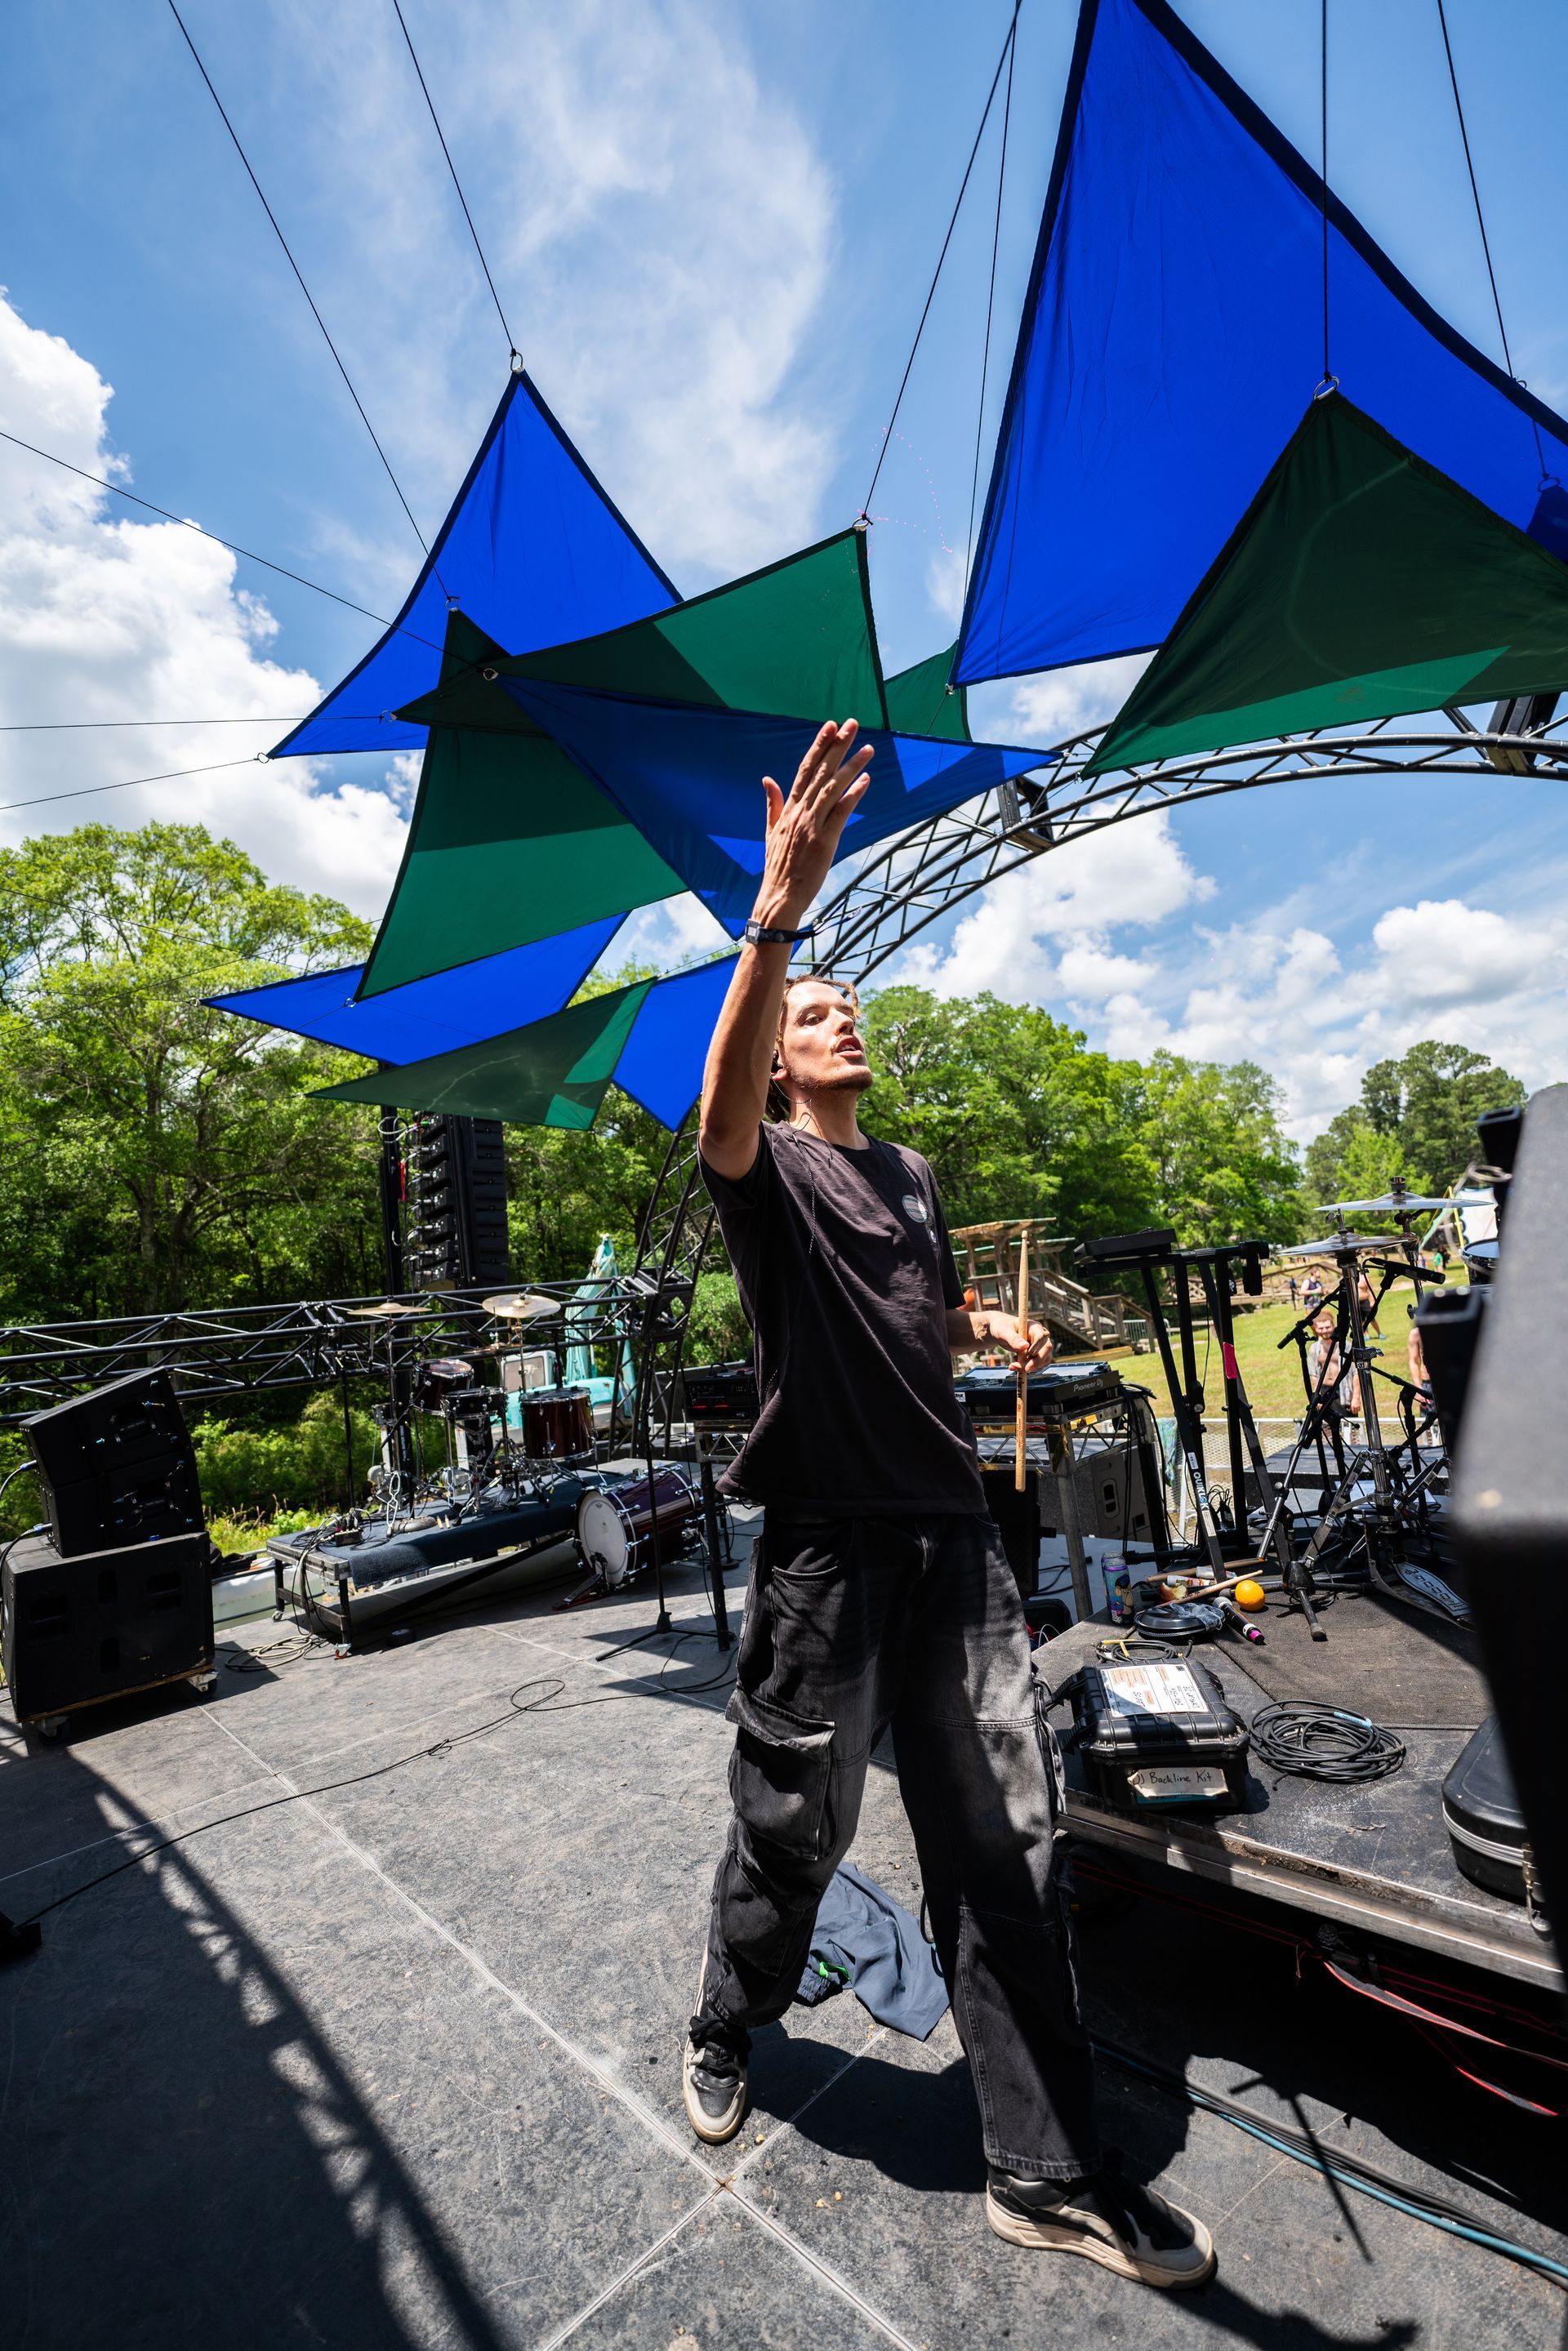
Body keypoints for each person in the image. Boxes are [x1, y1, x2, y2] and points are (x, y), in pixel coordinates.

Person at [682, 718, 1215, 2292]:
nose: (840, 1025)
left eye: (851, 1007)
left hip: (955, 1540)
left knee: (1005, 1841)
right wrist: (775, 924)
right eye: (813, 1014)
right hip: (827, 1551)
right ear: (779, 1051)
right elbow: (718, 1111)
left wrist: (986, 1326)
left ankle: (1046, 2171)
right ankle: (728, 2013)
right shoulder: (760, 1163)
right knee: (798, 1822)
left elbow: (930, 1291)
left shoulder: (905, 1176)